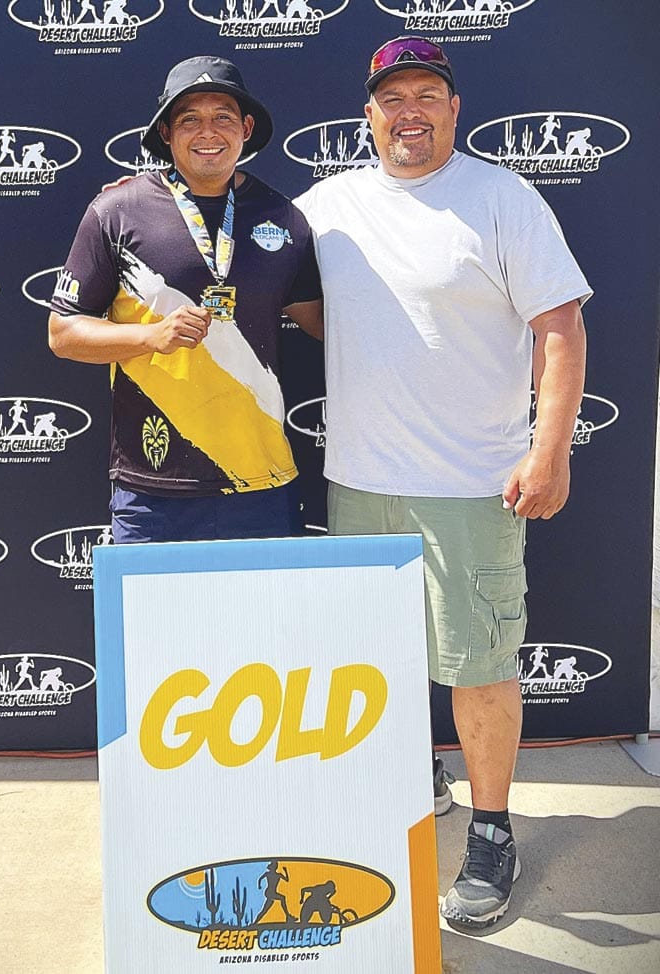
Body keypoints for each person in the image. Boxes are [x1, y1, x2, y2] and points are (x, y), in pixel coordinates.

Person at [295, 36, 590, 930]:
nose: (410, 112)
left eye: (427, 95)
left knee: (479, 665)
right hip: (357, 481)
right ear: (369, 115)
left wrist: (550, 451)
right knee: (374, 662)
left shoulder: (503, 198)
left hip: (469, 485)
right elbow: (277, 282)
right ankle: (410, 777)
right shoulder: (328, 205)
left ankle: (492, 830)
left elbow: (560, 327)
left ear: (455, 110)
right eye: (393, 98)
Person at [49, 57, 322, 543]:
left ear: (246, 129)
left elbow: (322, 322)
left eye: (223, 117)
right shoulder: (117, 211)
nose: (208, 132)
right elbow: (63, 334)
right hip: (152, 491)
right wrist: (150, 336)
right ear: (166, 133)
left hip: (261, 483)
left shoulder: (283, 216)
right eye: (190, 119)